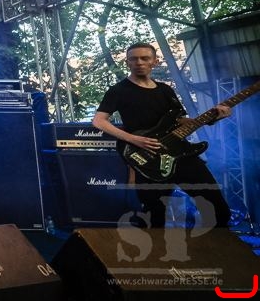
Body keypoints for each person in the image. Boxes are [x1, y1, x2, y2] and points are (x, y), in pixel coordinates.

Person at [92, 42, 231, 228]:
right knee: (153, 218)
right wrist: (134, 139)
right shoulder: (118, 90)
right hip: (148, 158)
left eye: (144, 58)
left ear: (154, 62)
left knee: (219, 211)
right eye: (133, 59)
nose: (139, 62)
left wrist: (212, 118)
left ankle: (209, 245)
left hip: (181, 154)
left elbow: (179, 121)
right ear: (127, 63)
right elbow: (99, 121)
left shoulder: (165, 90)